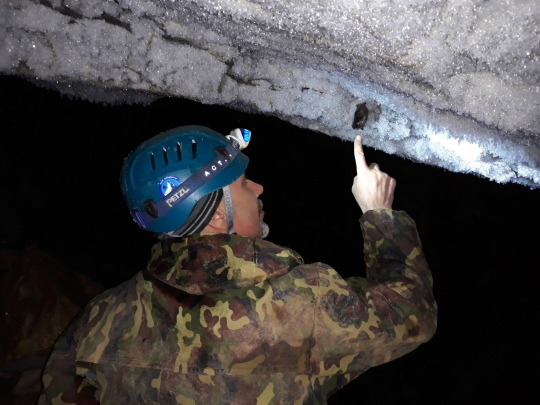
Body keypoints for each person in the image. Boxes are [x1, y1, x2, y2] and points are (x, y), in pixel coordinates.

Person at [38, 125, 437, 405]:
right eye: (244, 184)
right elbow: (412, 313)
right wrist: (379, 214)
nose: (259, 188)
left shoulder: (101, 318)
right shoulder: (297, 302)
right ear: (216, 215)